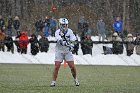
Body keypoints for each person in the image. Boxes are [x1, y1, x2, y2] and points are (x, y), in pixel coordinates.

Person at [50, 18, 80, 87]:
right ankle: (53, 81)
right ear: (60, 25)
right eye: (63, 25)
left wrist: (72, 45)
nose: (65, 26)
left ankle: (75, 79)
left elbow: (74, 40)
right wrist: (67, 44)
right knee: (57, 66)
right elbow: (60, 41)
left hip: (67, 52)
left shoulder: (70, 31)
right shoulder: (57, 32)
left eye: (66, 25)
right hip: (59, 51)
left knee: (72, 66)